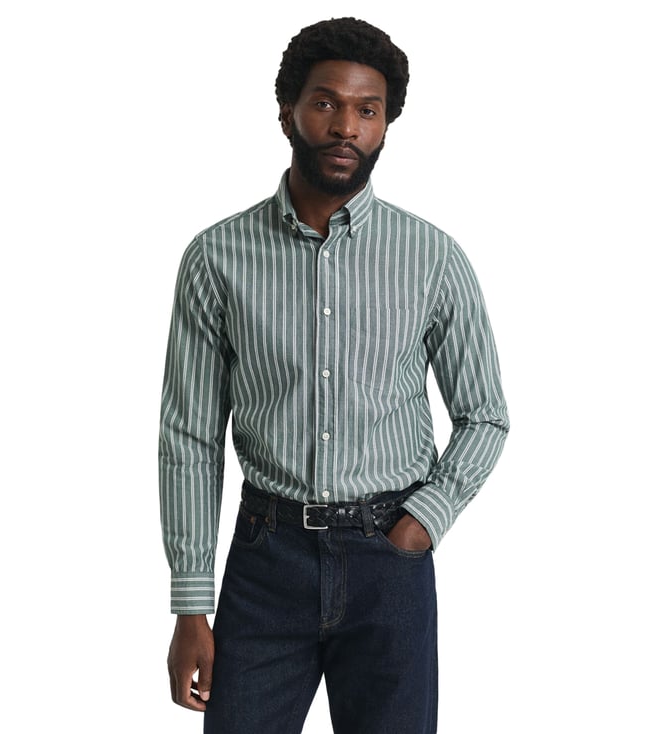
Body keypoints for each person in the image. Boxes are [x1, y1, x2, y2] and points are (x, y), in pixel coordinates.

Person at [159, 17, 509, 734]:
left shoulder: (433, 258)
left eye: (367, 110)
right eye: (326, 103)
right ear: (287, 109)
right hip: (266, 560)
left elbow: (485, 415)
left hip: (390, 563)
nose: (346, 126)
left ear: (385, 125)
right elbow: (190, 436)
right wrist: (191, 604)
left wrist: (423, 522)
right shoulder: (217, 258)